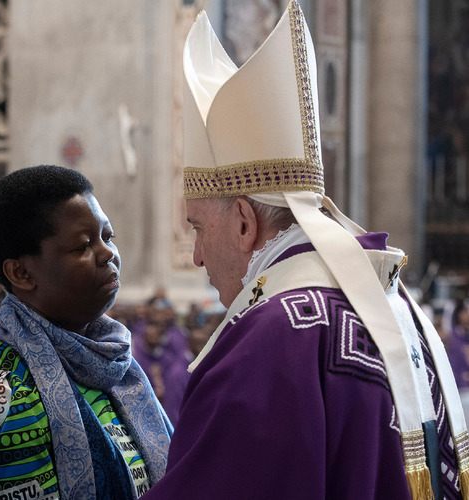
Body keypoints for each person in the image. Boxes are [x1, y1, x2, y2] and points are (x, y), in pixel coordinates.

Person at [142, 2, 469, 499]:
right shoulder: (395, 306)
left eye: (198, 228)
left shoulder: (272, 341)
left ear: (245, 222)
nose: (197, 256)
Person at [0, 165, 172, 499]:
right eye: (83, 246)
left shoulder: (116, 366)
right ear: (21, 273)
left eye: (107, 237)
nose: (107, 252)